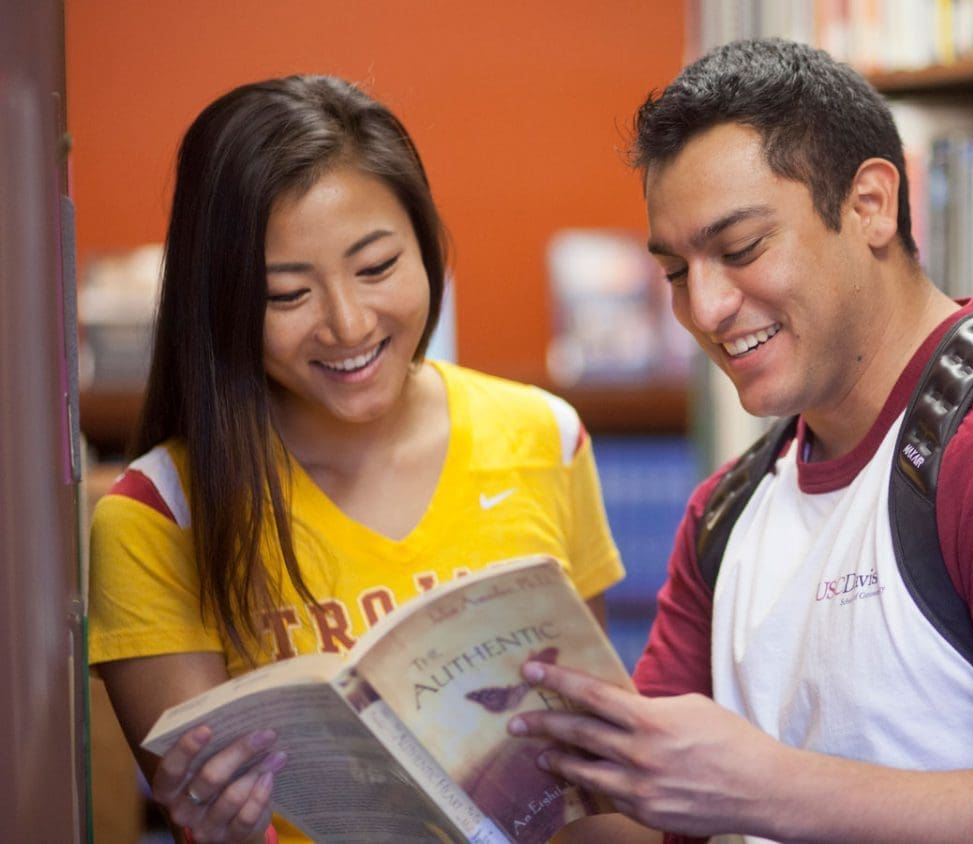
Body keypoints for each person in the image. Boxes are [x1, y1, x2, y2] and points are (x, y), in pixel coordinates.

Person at [509, 39, 973, 843]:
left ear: (871, 206)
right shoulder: (727, 512)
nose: (705, 309)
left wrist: (763, 789)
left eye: (742, 249)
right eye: (677, 272)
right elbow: (649, 820)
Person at [88, 74, 625, 844]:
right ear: (221, 301)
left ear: (429, 248)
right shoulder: (157, 516)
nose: (348, 324)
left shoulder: (544, 435)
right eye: (285, 295)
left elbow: (597, 807)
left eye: (377, 268)